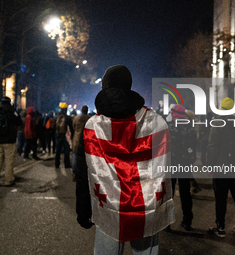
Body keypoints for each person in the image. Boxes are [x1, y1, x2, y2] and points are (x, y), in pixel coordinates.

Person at [76, 65, 174, 255]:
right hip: (147, 205)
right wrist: (162, 207)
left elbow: (83, 172)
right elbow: (165, 169)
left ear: (105, 86)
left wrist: (83, 209)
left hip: (107, 207)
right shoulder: (157, 122)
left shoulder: (92, 126)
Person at [207, 98, 235, 238]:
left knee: (221, 198)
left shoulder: (218, 123)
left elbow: (213, 146)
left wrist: (209, 165)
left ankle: (221, 228)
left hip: (222, 167)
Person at [167, 105, 197, 231]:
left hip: (171, 164)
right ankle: (187, 220)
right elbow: (194, 145)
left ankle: (166, 222)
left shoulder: (169, 128)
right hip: (184, 164)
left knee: (169, 194)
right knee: (185, 192)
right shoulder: (190, 127)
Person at [0, 97, 22, 187]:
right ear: (9, 102)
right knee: (9, 161)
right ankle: (8, 180)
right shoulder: (11, 111)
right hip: (9, 140)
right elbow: (19, 122)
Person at [71, 105, 90, 182]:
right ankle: (84, 173)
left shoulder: (76, 118)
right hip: (86, 139)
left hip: (76, 139)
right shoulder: (89, 119)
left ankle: (74, 173)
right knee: (85, 158)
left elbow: (73, 127)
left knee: (75, 156)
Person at [54, 102, 73, 169]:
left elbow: (54, 127)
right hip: (65, 136)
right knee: (66, 151)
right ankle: (66, 164)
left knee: (58, 151)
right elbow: (71, 128)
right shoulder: (68, 118)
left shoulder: (56, 117)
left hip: (58, 136)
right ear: (66, 109)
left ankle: (57, 164)